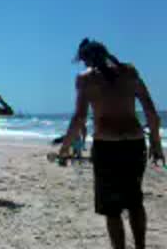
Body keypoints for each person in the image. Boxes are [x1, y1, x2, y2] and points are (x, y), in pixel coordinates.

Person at [59, 38, 164, 249]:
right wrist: (156, 144)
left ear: (85, 59)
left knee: (112, 208)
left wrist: (64, 148)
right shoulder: (130, 72)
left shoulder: (85, 79)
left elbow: (79, 118)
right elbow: (151, 113)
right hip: (135, 145)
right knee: (135, 201)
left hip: (107, 147)